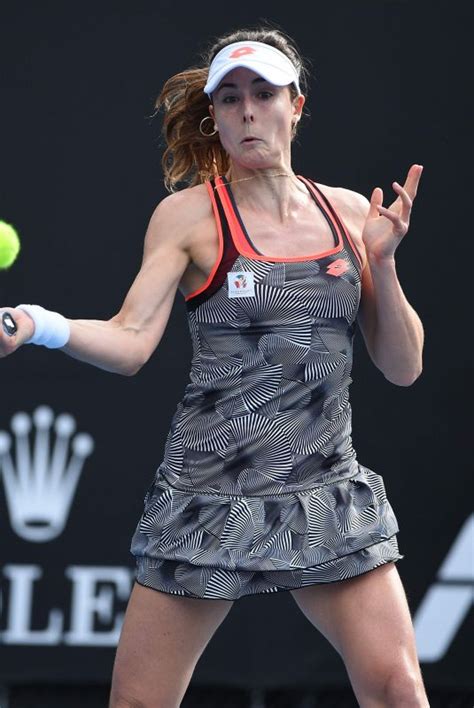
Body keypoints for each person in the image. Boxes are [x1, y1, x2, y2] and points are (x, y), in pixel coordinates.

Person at [0, 24, 429, 708]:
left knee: (400, 690)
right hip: (205, 499)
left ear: (297, 105)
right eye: (229, 98)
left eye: (264, 92)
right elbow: (131, 337)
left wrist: (383, 261)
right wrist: (37, 325)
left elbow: (402, 366)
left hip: (323, 491)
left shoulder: (354, 215)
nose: (247, 110)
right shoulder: (187, 217)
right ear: (214, 116)